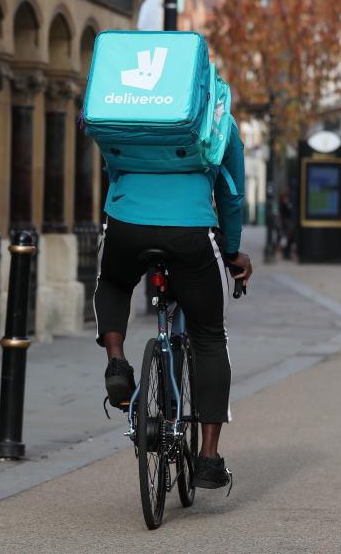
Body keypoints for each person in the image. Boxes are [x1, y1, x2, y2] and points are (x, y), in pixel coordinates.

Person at [92, 117, 252, 491]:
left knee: (113, 282)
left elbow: (111, 160)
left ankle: (116, 360)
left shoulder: (132, 103)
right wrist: (231, 251)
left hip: (126, 223)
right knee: (210, 335)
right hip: (189, 229)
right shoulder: (215, 110)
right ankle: (208, 460)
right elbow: (232, 190)